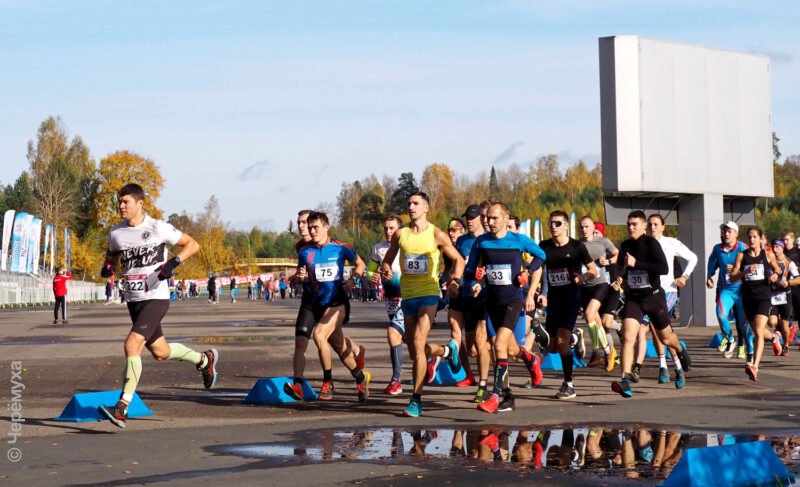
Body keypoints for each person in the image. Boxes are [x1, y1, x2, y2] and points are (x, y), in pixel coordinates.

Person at [97, 183, 216, 429]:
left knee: (132, 344)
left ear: (140, 204)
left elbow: (192, 244)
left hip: (156, 296)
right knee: (160, 352)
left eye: (125, 202)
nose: (121, 206)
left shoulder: (157, 227)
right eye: (119, 202)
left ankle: (122, 407)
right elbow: (112, 255)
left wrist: (174, 262)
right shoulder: (116, 233)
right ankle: (204, 360)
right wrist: (109, 266)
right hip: (134, 299)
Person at [380, 191, 465, 417]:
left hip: (429, 295)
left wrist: (454, 281)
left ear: (426, 208)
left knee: (418, 341)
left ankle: (416, 399)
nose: (411, 207)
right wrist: (385, 271)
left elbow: (458, 259)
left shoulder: (437, 234)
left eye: (416, 203)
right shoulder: (401, 234)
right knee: (414, 349)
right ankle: (447, 351)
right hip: (407, 297)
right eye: (409, 203)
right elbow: (387, 260)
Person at [469, 202, 546, 413]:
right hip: (493, 301)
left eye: (494, 218)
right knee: (511, 350)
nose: (490, 222)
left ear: (505, 218)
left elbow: (541, 255)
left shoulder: (518, 240)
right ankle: (530, 359)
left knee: (499, 346)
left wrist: (528, 271)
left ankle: (496, 396)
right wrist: (474, 277)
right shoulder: (481, 242)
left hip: (513, 300)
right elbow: (470, 269)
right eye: (488, 218)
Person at [284, 210, 364, 400]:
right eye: (309, 227)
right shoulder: (304, 251)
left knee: (319, 335)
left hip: (336, 302)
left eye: (315, 227)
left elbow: (360, 264)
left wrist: (354, 280)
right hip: (312, 303)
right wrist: (300, 278)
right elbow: (302, 275)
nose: (311, 231)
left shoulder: (341, 248)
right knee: (333, 346)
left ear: (326, 227)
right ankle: (359, 378)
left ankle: (327, 382)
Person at [611, 211, 691, 398]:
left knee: (665, 338)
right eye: (629, 224)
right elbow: (620, 267)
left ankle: (679, 349)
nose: (631, 227)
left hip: (654, 298)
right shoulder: (625, 245)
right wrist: (620, 278)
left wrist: (637, 262)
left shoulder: (651, 243)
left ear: (643, 226)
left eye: (635, 224)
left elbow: (662, 268)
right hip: (634, 299)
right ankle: (625, 380)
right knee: (628, 337)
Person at [537, 210, 598, 399]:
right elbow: (540, 270)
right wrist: (539, 293)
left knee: (562, 341)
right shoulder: (544, 246)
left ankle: (569, 384)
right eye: (551, 224)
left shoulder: (577, 247)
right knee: (553, 347)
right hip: (554, 299)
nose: (553, 227)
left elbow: (593, 270)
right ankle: (575, 339)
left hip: (571, 298)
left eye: (557, 223)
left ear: (566, 226)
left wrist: (582, 277)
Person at [635, 213, 698, 387]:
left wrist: (684, 277)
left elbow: (693, 258)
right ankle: (671, 366)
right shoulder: (642, 244)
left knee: (656, 329)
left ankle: (666, 366)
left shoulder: (671, 243)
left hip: (668, 291)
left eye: (656, 224)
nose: (652, 227)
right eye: (650, 225)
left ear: (663, 227)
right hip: (648, 292)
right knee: (660, 333)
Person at [449, 205, 492, 402]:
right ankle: (468, 375)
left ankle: (485, 383)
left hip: (481, 296)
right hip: (461, 293)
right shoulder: (461, 241)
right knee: (460, 337)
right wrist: (452, 281)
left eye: (473, 217)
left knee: (477, 345)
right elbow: (453, 265)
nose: (470, 220)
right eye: (468, 217)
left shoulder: (487, 240)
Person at [729, 226, 783, 381]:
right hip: (748, 298)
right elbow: (732, 277)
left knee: (758, 331)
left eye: (754, 237)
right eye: (749, 237)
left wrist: (774, 275)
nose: (751, 240)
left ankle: (754, 366)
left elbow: (778, 270)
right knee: (758, 331)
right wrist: (745, 272)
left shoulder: (768, 255)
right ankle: (774, 338)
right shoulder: (741, 256)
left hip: (763, 298)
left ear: (760, 239)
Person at [368, 214, 406, 395]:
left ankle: (395, 380)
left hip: (408, 298)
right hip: (390, 299)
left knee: (393, 334)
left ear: (400, 230)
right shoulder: (379, 248)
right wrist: (373, 276)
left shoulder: (407, 245)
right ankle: (440, 354)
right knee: (407, 340)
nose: (388, 231)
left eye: (392, 228)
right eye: (386, 228)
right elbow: (370, 271)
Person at [577, 217, 619, 372]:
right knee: (596, 322)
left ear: (593, 227)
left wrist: (608, 262)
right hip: (584, 287)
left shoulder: (603, 241)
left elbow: (617, 254)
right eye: (581, 227)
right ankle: (607, 352)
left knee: (589, 314)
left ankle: (603, 351)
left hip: (600, 285)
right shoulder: (577, 244)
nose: (584, 229)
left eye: (587, 226)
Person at [706, 222, 753, 360]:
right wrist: (709, 276)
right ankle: (730, 339)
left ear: (736, 234)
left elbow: (752, 265)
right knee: (720, 315)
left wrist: (737, 268)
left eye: (729, 231)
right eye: (724, 231)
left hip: (742, 291)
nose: (726, 234)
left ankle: (749, 353)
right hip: (727, 290)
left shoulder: (743, 248)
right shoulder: (717, 249)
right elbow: (711, 262)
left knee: (744, 325)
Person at [768, 239, 799, 356]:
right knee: (771, 322)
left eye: (777, 247)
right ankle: (778, 332)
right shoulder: (768, 261)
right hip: (772, 295)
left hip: (785, 296)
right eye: (773, 247)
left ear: (782, 248)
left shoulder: (789, 263)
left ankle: (786, 345)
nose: (775, 249)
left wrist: (788, 282)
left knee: (784, 323)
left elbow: (798, 278)